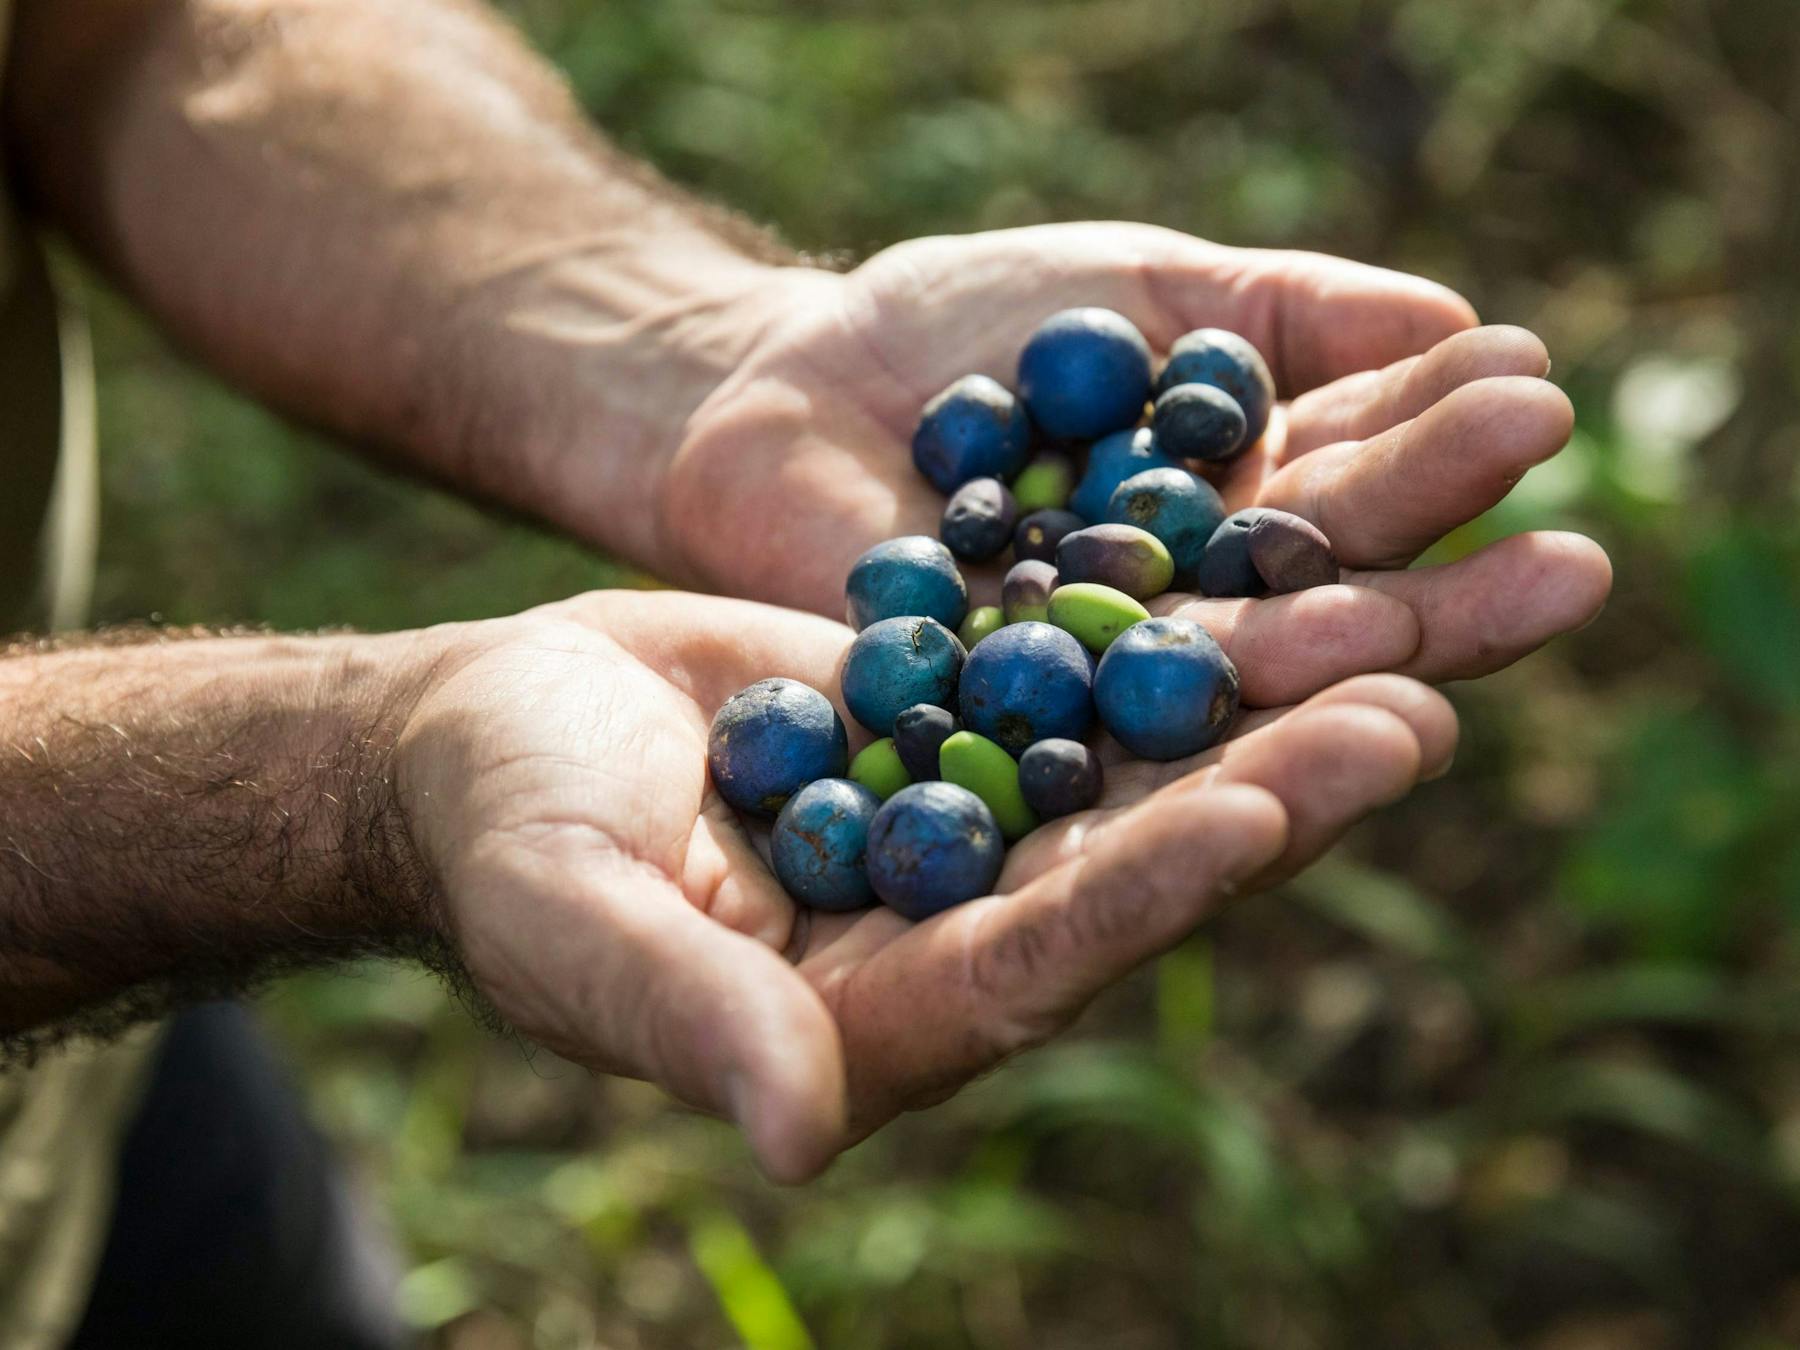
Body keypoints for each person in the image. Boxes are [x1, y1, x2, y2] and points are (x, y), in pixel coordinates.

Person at [0, 0, 1613, 1344]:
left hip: (103, 1096)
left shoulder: (1010, 583)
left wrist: (688, 339)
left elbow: (129, 32)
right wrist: (335, 775)